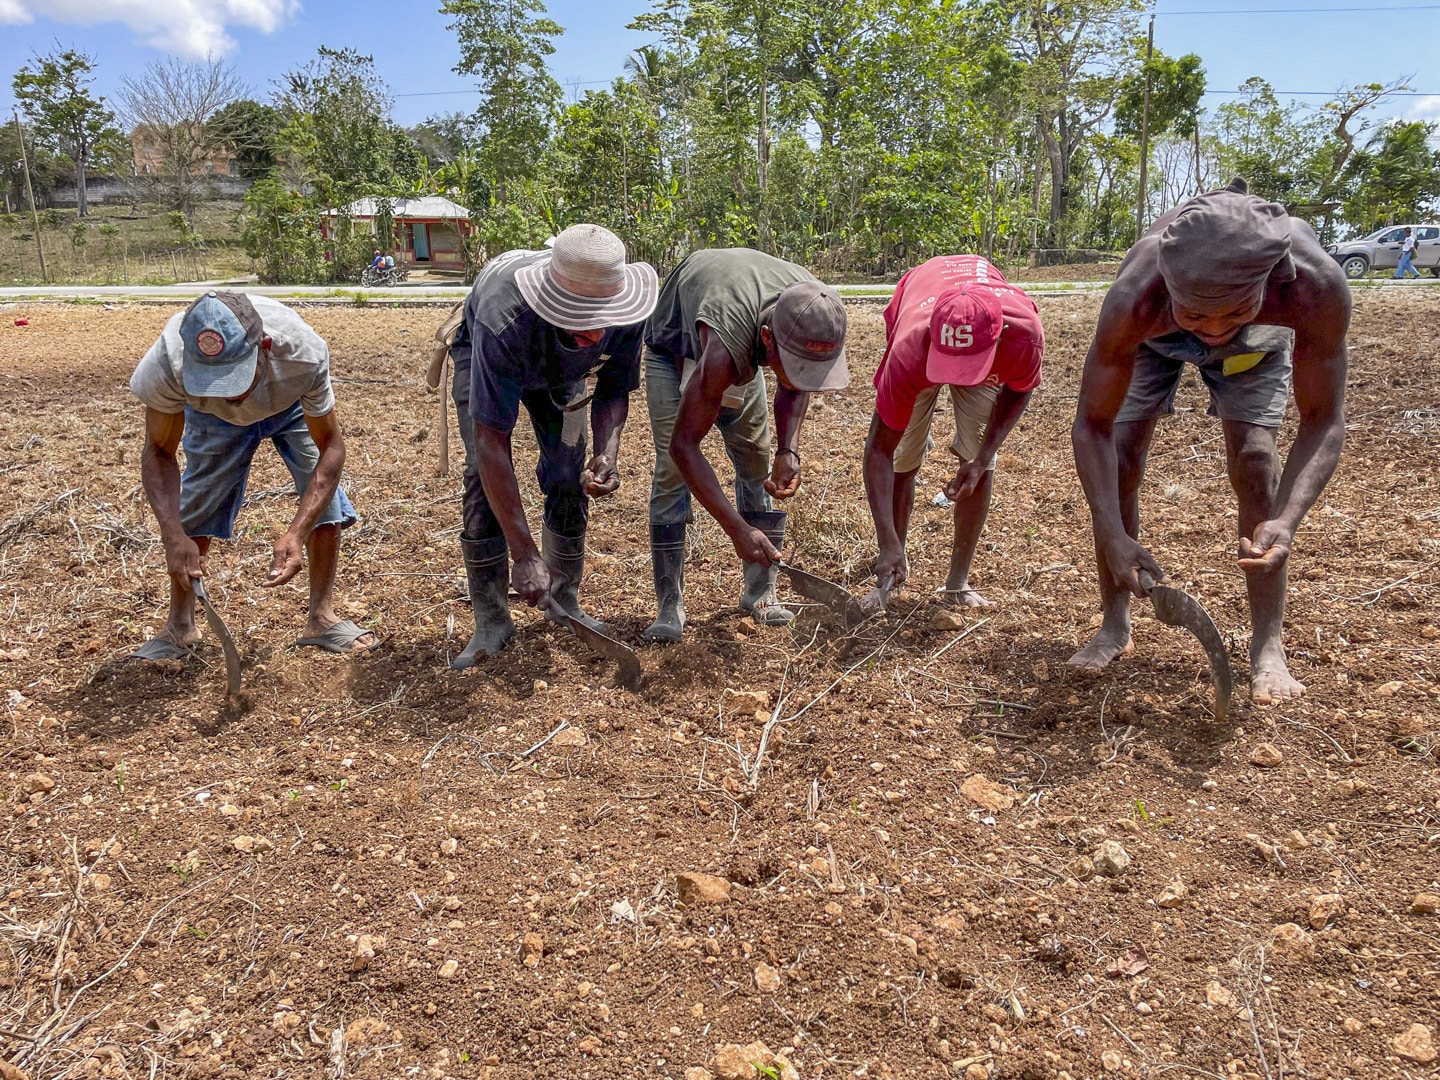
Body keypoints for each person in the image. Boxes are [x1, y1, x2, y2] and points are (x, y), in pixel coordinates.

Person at [1069, 178, 1351, 704]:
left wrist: (1287, 520)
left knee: (1256, 464)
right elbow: (1092, 426)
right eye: (1199, 316)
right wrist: (1110, 532)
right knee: (1122, 461)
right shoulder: (1139, 295)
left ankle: (1267, 645)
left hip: (1262, 334)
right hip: (1159, 333)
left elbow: (1322, 420)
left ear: (1274, 279)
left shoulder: (1313, 286)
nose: (1214, 331)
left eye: (1229, 313)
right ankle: (1114, 623)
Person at [447, 224, 658, 668]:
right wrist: (523, 554)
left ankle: (565, 601)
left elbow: (614, 388)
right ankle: (491, 621)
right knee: (480, 478)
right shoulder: (503, 319)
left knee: (568, 469)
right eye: (584, 327)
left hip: (561, 374)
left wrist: (608, 452)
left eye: (605, 325)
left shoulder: (627, 312)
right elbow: (491, 442)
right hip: (488, 355)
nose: (598, 336)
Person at [129, 291, 374, 660]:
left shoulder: (303, 354)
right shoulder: (166, 363)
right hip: (209, 417)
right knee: (199, 499)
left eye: (235, 376)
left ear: (266, 347)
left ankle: (321, 618)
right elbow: (158, 451)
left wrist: (296, 531)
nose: (232, 396)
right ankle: (180, 625)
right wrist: (172, 535)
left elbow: (331, 448)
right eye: (213, 379)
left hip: (289, 403)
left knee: (321, 491)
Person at [642, 248, 848, 642]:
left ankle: (759, 592)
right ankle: (670, 605)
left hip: (739, 337)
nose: (803, 375)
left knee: (756, 462)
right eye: (794, 363)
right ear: (768, 340)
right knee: (672, 473)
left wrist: (789, 450)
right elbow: (684, 445)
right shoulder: (726, 346)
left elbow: (798, 380)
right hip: (675, 351)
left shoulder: (816, 310)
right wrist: (735, 528)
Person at [865, 256, 1043, 609]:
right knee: (903, 455)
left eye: (966, 367)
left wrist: (982, 456)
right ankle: (892, 570)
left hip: (986, 351)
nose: (956, 376)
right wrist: (887, 541)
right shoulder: (909, 349)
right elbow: (879, 451)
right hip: (920, 340)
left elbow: (1019, 388)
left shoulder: (1023, 336)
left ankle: (957, 583)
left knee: (978, 458)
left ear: (998, 339)